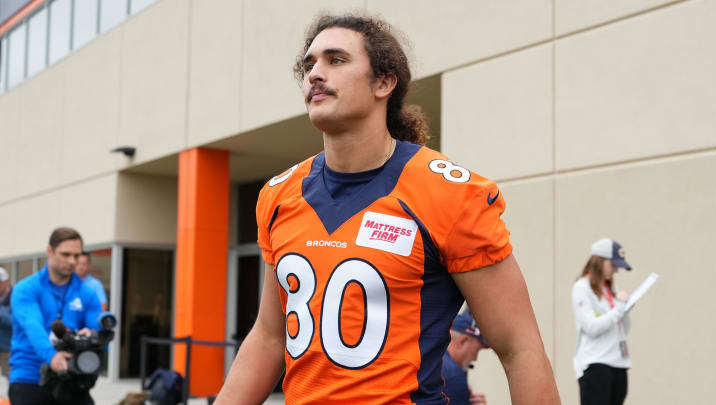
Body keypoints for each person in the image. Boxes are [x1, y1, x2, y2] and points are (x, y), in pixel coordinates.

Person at [215, 13, 559, 405]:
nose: (315, 74)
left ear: (384, 82)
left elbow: (519, 347)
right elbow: (269, 336)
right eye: (309, 65)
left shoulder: (448, 193)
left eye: (336, 60)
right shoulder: (279, 194)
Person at [9, 227, 102, 405]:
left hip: (71, 379)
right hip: (30, 379)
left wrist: (92, 334)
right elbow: (33, 326)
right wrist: (52, 357)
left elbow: (95, 327)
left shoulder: (87, 293)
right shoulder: (26, 289)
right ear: (49, 251)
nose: (72, 261)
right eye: (65, 254)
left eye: (76, 255)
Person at [572, 238, 632, 405]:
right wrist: (619, 309)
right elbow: (591, 327)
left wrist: (625, 310)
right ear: (599, 261)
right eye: (612, 265)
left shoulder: (611, 289)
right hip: (596, 365)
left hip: (618, 363)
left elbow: (623, 329)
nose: (615, 271)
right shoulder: (581, 288)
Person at [442, 313, 489, 405]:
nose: (475, 359)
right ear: (463, 342)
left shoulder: (428, 359)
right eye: (477, 350)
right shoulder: (454, 376)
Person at [0, 266, 12, 380]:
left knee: (7, 381)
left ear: (6, 282)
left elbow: (18, 322)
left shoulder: (16, 297)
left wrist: (2, 316)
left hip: (7, 350)